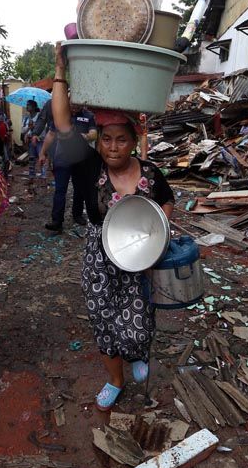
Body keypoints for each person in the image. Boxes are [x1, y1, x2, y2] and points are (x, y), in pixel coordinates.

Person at [50, 43, 174, 411]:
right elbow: (61, 122)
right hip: (100, 260)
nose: (114, 147)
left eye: (122, 139)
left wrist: (160, 227)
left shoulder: (150, 173)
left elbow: (167, 201)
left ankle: (137, 354)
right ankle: (114, 379)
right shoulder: (90, 168)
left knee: (137, 323)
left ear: (134, 142)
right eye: (107, 139)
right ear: (98, 141)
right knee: (104, 319)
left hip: (140, 260)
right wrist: (60, 70)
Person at [39, 100, 96, 231]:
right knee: (60, 190)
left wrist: (85, 136)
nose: (75, 108)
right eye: (72, 104)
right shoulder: (61, 116)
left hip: (80, 158)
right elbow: (51, 134)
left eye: (78, 105)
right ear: (68, 103)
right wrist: (42, 153)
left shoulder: (89, 116)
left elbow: (94, 133)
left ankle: (77, 214)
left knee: (80, 188)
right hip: (62, 158)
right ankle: (57, 220)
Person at [21, 100, 43, 177]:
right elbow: (23, 130)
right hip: (30, 141)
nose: (27, 107)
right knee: (31, 159)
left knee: (41, 158)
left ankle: (43, 176)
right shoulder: (26, 117)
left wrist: (35, 127)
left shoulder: (39, 116)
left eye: (29, 105)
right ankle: (31, 176)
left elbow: (43, 128)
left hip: (39, 140)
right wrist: (28, 127)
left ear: (33, 107)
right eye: (26, 105)